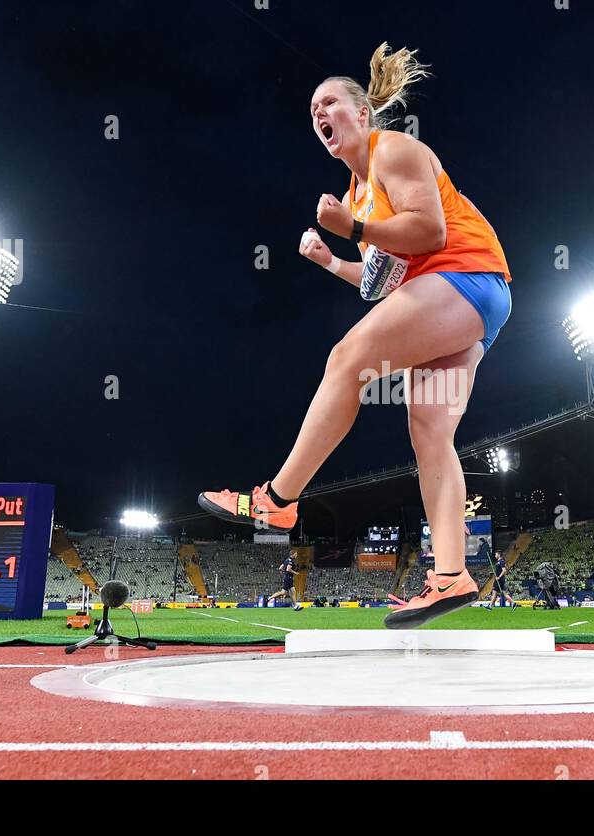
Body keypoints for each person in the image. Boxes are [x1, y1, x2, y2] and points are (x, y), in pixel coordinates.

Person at [196, 43, 512, 630]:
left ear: (362, 113)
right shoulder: (352, 194)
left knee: (347, 358)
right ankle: (451, 575)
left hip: (466, 277)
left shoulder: (393, 148)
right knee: (429, 435)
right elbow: (382, 282)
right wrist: (329, 258)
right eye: (312, 109)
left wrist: (354, 228)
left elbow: (429, 230)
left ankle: (279, 500)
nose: (319, 114)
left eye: (330, 102)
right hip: (460, 307)